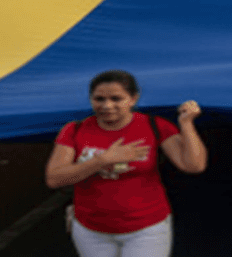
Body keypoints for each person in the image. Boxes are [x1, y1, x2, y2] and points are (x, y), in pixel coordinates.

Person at [46, 69, 207, 257]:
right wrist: (102, 160)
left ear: (133, 99)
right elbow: (54, 178)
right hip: (90, 230)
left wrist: (186, 124)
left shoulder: (155, 125)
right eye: (99, 99)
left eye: (116, 99)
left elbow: (194, 165)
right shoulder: (74, 129)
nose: (107, 105)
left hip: (147, 229)